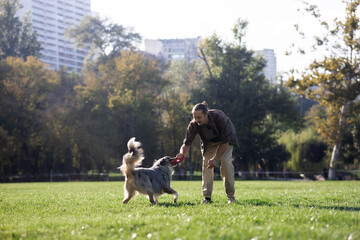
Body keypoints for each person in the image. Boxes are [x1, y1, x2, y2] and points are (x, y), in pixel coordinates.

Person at [176, 101, 239, 204]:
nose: (196, 120)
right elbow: (186, 143)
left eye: (199, 117)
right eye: (194, 117)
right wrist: (182, 153)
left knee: (226, 164)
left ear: (206, 114)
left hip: (226, 141)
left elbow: (225, 143)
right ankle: (207, 198)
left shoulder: (219, 117)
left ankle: (231, 197)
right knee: (206, 164)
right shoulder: (193, 124)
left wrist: (215, 159)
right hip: (209, 142)